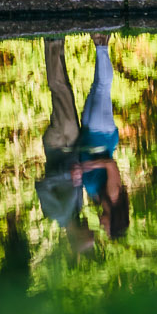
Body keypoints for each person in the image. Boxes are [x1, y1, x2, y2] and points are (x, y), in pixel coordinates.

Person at [34, 33, 129, 256]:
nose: (96, 230)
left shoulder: (57, 214)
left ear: (77, 237)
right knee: (70, 90)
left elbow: (42, 185)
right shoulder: (82, 207)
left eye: (91, 235)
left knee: (62, 90)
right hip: (79, 140)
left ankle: (53, 40)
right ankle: (65, 42)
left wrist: (70, 174)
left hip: (60, 144)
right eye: (101, 231)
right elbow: (103, 167)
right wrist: (76, 170)